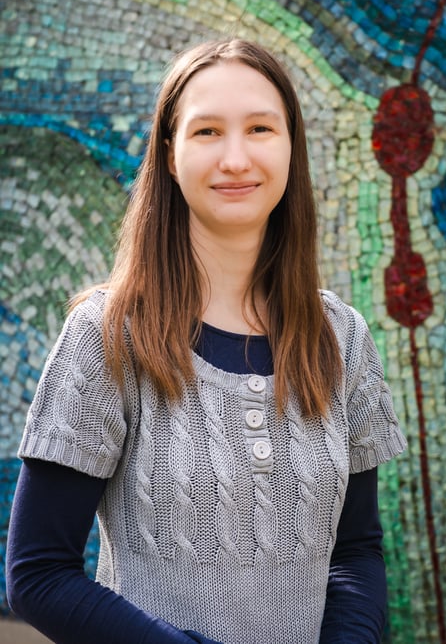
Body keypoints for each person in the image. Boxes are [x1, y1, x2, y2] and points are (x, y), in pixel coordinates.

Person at [6, 38, 407, 644]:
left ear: (291, 148)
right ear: (170, 154)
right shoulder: (106, 336)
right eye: (208, 132)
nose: (236, 158)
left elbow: (355, 552)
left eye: (260, 129)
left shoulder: (341, 339)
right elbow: (38, 573)